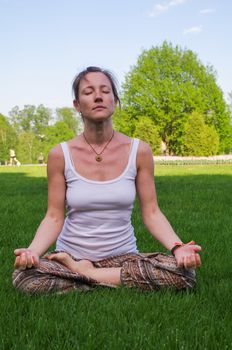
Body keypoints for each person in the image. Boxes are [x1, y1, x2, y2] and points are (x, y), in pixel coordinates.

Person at [12, 66, 201, 294]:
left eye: (105, 90)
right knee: (25, 278)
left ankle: (86, 275)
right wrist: (32, 252)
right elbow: (53, 216)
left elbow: (152, 212)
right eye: (88, 92)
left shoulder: (139, 150)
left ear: (115, 100)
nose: (98, 96)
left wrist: (178, 248)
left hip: (122, 258)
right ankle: (108, 278)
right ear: (77, 105)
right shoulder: (60, 154)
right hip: (70, 254)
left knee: (185, 274)